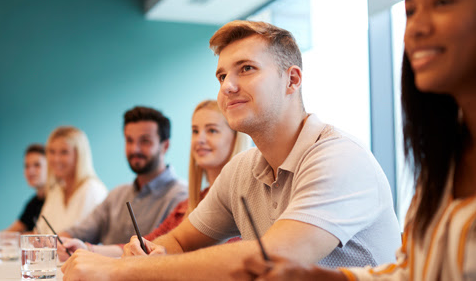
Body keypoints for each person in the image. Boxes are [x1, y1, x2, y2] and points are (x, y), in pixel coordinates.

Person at [60, 21, 401, 281]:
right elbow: (178, 242)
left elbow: (271, 257)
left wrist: (119, 270)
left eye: (246, 69)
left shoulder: (338, 158)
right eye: (221, 75)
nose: (227, 86)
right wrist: (150, 253)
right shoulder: (242, 169)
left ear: (292, 80)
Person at [243, 0, 476, 279]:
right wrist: (328, 278)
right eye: (410, 10)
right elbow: (415, 270)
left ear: (293, 80)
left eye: (443, 2)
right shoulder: (445, 158)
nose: (416, 27)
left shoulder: (338, 156)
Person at [57, 100, 250, 260]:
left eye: (212, 130)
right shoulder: (186, 205)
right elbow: (151, 242)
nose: (199, 139)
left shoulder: (234, 201)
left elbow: (223, 261)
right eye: (195, 131)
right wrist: (88, 250)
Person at [58, 106, 188, 248]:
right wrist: (52, 242)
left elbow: (161, 249)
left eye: (145, 141)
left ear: (165, 146)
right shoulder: (117, 195)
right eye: (129, 140)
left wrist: (91, 250)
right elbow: (79, 232)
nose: (134, 149)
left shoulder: (181, 197)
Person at [36, 126, 108, 234]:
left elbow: (87, 237)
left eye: (64, 152)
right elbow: (39, 234)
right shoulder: (56, 191)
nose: (56, 159)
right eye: (52, 152)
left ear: (79, 155)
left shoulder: (92, 190)